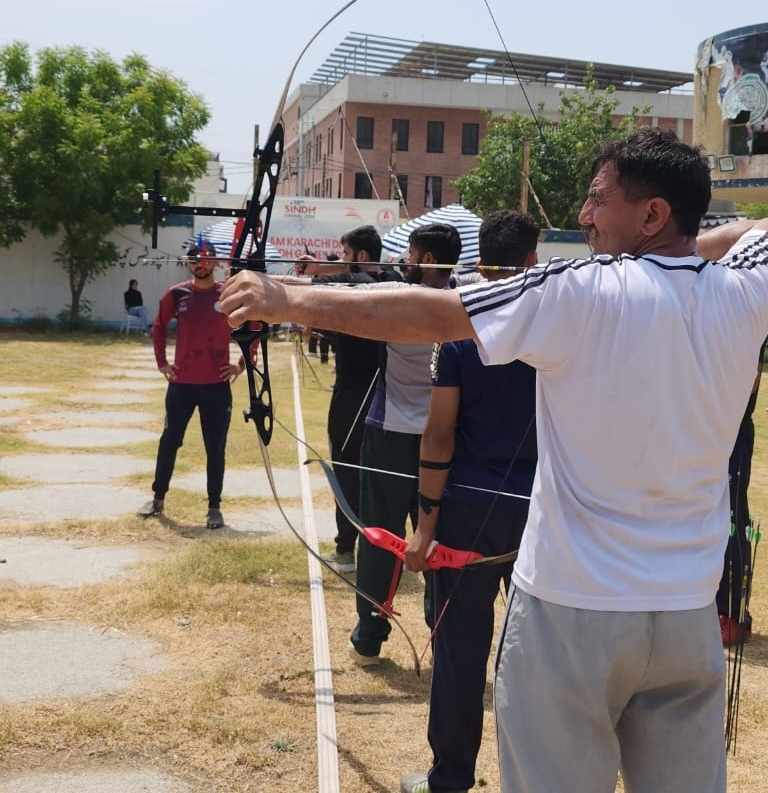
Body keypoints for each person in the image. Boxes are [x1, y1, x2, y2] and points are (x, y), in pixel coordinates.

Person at [221, 127, 768, 793]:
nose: (583, 215)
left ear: (653, 213)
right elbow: (753, 230)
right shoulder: (747, 290)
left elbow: (434, 314)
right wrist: (681, 255)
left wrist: (286, 299)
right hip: (686, 617)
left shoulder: (579, 292)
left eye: (599, 199)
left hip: (573, 613)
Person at [401, 210, 540, 793]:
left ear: (478, 263)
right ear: (532, 260)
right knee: (537, 654)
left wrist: (424, 526)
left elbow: (439, 434)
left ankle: (450, 780)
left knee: (461, 651)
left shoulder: (461, 328)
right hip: (540, 508)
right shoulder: (558, 322)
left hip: (468, 509)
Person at [352, 223, 461, 664]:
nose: (405, 262)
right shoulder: (467, 298)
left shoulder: (397, 298)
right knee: (441, 540)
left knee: (380, 534)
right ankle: (445, 637)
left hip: (393, 435)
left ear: (428, 259)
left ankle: (369, 637)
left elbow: (345, 293)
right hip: (446, 438)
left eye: (412, 255)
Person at [309, 226, 401, 573]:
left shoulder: (352, 284)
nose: (343, 260)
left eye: (347, 254)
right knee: (382, 473)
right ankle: (385, 548)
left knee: (347, 470)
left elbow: (317, 288)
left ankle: (346, 549)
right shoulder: (395, 281)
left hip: (353, 396)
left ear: (362, 256)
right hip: (389, 397)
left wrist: (317, 271)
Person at [139, 242, 244, 529]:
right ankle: (158, 498)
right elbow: (159, 327)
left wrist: (240, 365)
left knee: (215, 447)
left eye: (206, 259)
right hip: (182, 384)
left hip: (216, 386)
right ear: (188, 263)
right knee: (169, 441)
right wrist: (162, 363)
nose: (201, 264)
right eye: (195, 260)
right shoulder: (176, 294)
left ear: (216, 263)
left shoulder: (227, 294)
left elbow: (253, 328)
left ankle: (214, 507)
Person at [717, 342, 764, 645]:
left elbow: (751, 380)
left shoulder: (746, 323)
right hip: (712, 428)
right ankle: (721, 609)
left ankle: (732, 613)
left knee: (733, 519)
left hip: (733, 430)